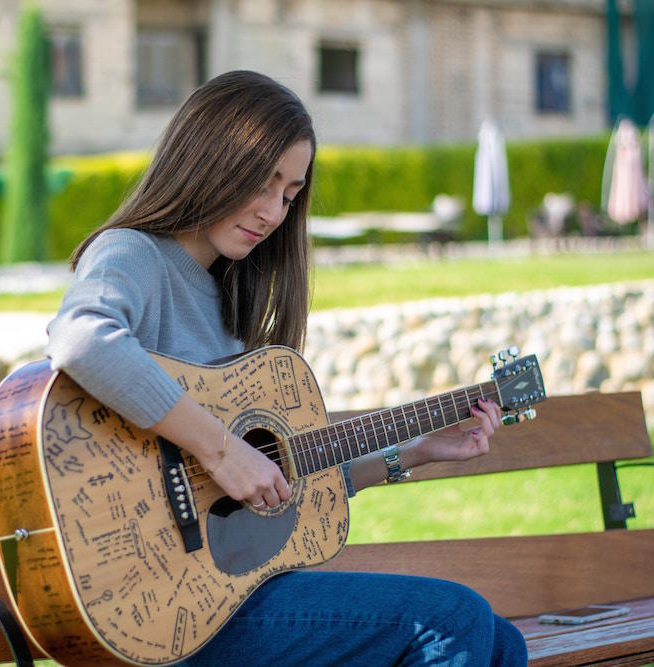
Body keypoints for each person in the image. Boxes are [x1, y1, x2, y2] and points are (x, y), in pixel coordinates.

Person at [45, 70, 528, 666]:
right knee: (451, 620)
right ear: (208, 158)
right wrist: (222, 450)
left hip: (232, 594)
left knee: (504, 644)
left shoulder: (228, 295)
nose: (274, 211)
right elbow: (80, 338)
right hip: (162, 609)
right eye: (264, 182)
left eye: (290, 194)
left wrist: (418, 450)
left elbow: (277, 488)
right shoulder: (135, 253)